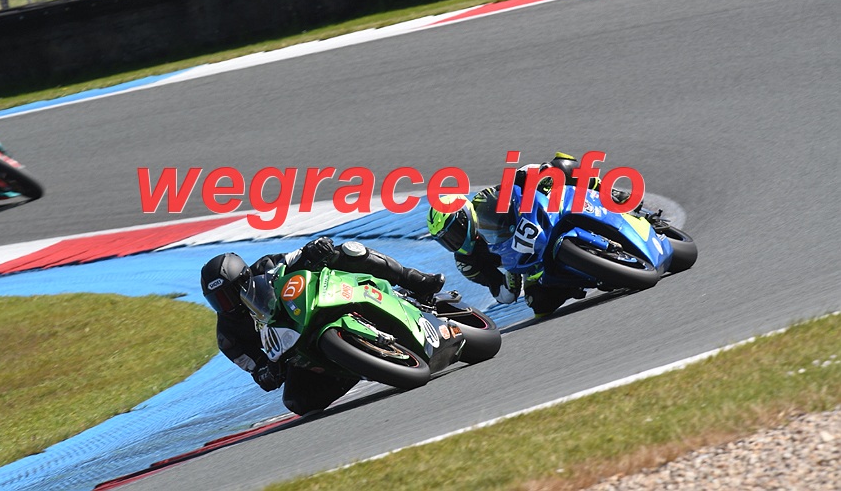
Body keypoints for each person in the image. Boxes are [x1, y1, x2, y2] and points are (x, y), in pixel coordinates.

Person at [199, 237, 445, 415]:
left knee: (347, 251)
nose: (226, 305)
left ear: (244, 279)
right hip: (299, 349)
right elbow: (258, 372)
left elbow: (295, 257)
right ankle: (358, 364)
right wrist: (268, 372)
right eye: (217, 301)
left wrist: (315, 249)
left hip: (316, 302)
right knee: (297, 402)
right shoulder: (228, 338)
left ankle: (412, 279)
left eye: (228, 295)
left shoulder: (266, 267)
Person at [426, 152, 633, 318]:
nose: (454, 241)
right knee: (539, 304)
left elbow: (519, 177)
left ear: (465, 216)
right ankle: (585, 277)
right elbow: (503, 295)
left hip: (539, 221)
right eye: (446, 241)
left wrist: (541, 175)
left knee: (561, 165)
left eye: (454, 232)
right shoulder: (466, 262)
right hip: (528, 262)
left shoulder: (484, 201)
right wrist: (511, 275)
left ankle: (608, 192)